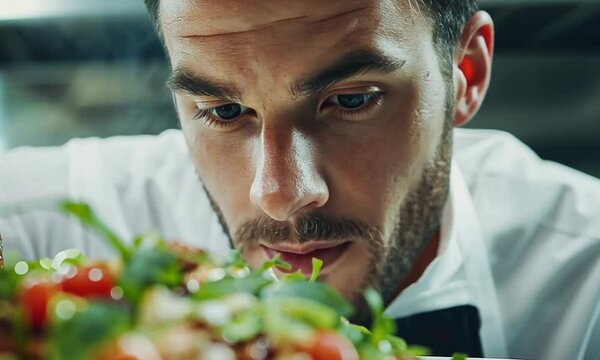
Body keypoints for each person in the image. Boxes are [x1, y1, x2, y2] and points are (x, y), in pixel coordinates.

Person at [0, 0, 598, 358]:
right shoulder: (71, 220)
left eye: (352, 100)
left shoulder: (586, 280)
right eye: (225, 113)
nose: (281, 192)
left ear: (464, 73)